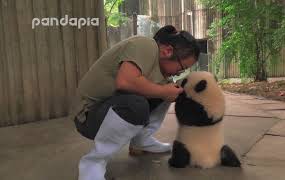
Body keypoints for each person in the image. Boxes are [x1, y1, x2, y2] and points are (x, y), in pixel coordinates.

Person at [72, 25, 200, 180]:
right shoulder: (145, 45)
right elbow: (125, 82)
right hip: (87, 118)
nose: (180, 72)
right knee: (138, 104)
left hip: (106, 111)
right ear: (167, 51)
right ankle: (93, 163)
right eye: (182, 67)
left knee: (170, 89)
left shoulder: (161, 71)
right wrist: (164, 91)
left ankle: (141, 141)